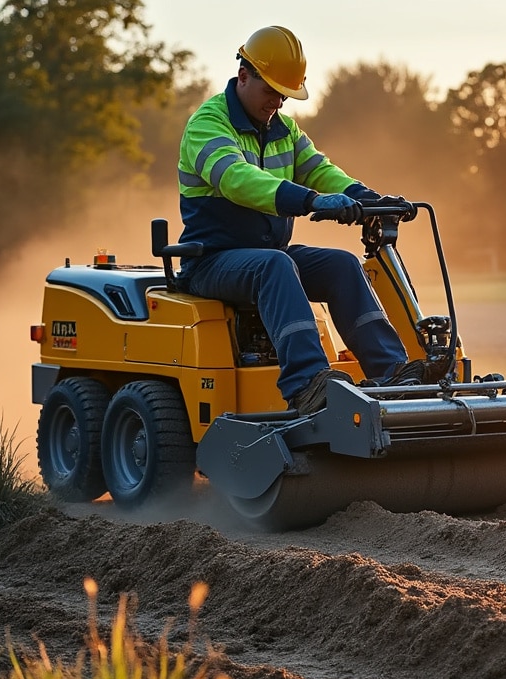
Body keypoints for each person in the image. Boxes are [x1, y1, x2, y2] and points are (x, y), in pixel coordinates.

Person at [175, 25, 431, 414]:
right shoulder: (207, 124)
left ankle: (392, 373)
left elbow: (319, 170)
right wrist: (311, 201)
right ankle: (308, 384)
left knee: (342, 264)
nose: (277, 102)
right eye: (271, 91)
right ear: (244, 75)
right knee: (275, 265)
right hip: (211, 260)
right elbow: (236, 180)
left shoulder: (285, 130)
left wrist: (368, 199)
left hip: (265, 257)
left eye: (284, 94)